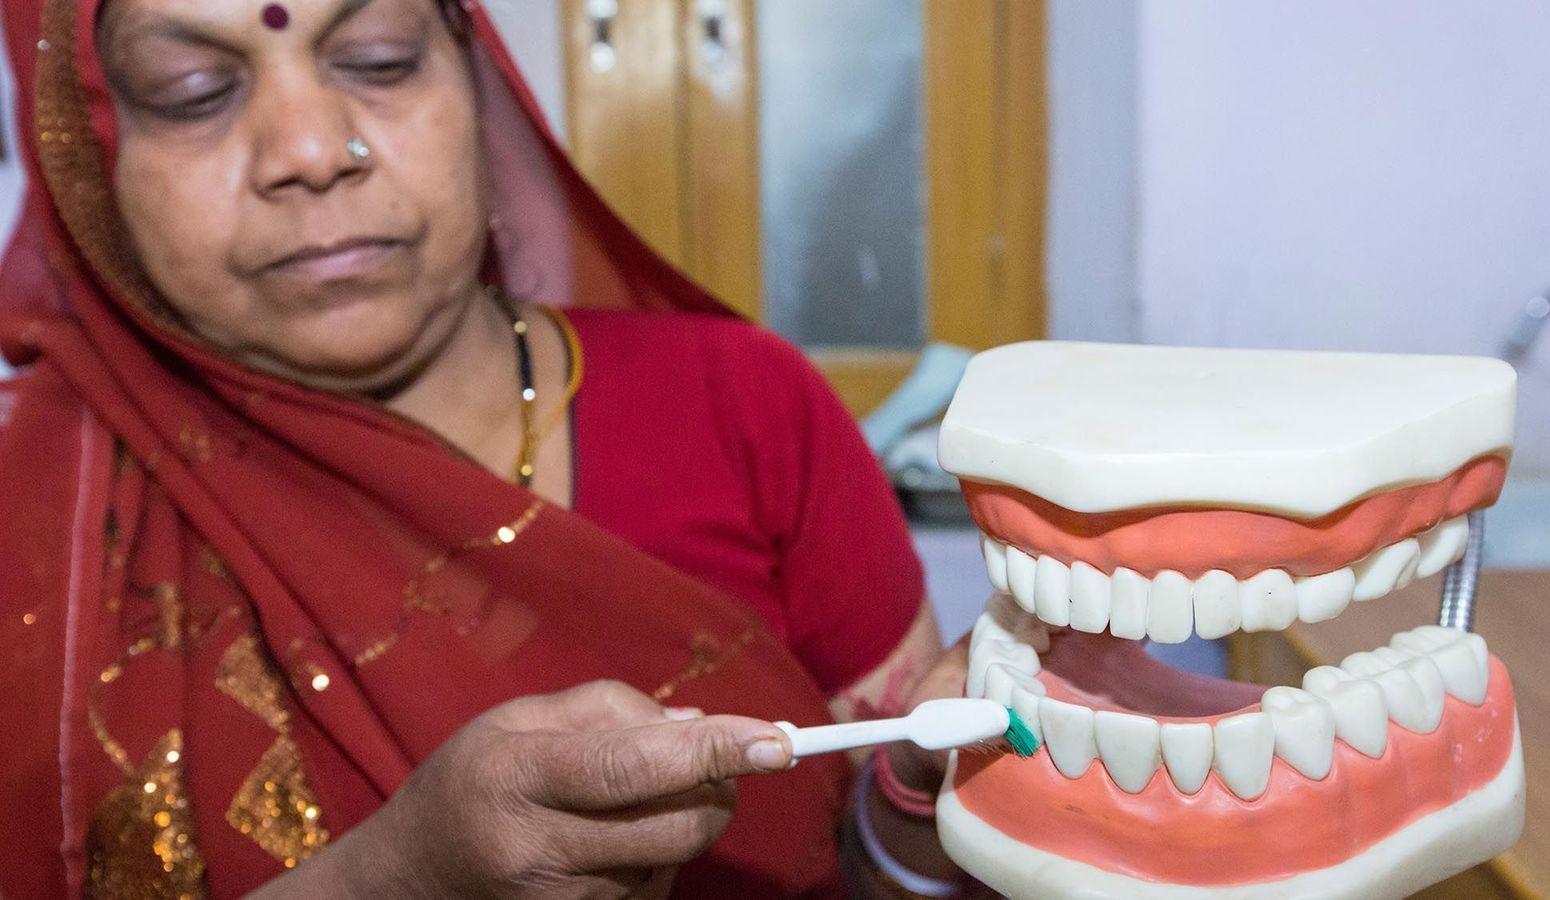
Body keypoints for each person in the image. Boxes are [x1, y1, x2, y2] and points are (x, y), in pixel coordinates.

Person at [0, 0, 976, 896]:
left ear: (475, 84)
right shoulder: (40, 526)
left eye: (378, 61)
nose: (308, 148)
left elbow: (867, 868)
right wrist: (398, 879)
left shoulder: (744, 407)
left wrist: (922, 800)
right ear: (89, 160)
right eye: (195, 93)